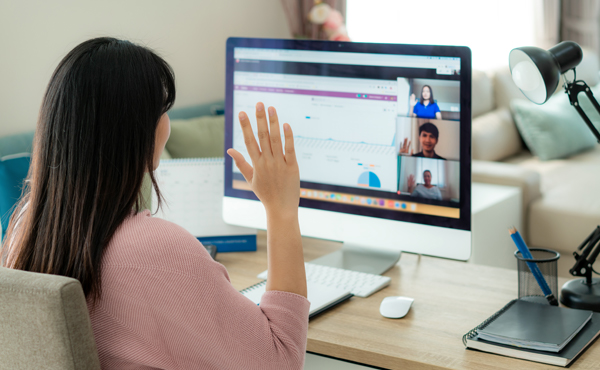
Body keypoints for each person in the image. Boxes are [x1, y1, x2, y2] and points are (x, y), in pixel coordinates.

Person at [1, 37, 308, 370]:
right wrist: (282, 209)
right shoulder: (156, 250)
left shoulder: (22, 230)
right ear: (136, 131)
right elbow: (281, 360)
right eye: (163, 110)